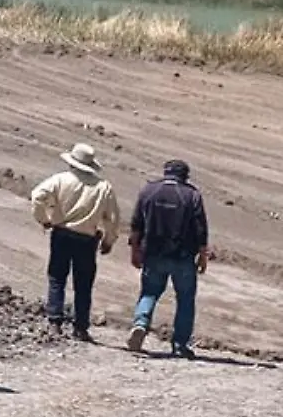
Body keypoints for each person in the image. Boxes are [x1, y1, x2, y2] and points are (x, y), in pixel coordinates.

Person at [29, 142, 120, 342]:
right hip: (87, 240)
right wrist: (108, 240)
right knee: (84, 284)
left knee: (57, 278)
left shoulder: (61, 180)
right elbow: (111, 219)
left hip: (61, 234)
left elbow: (37, 196)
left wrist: (44, 220)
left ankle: (54, 323)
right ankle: (80, 328)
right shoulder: (103, 187)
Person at [126, 159, 211, 359]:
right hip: (182, 256)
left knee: (149, 292)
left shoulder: (149, 191)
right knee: (185, 300)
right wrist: (203, 256)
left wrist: (135, 251)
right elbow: (200, 229)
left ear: (165, 173)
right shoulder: (192, 195)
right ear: (185, 176)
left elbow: (136, 224)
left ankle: (140, 324)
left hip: (153, 253)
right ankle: (180, 345)